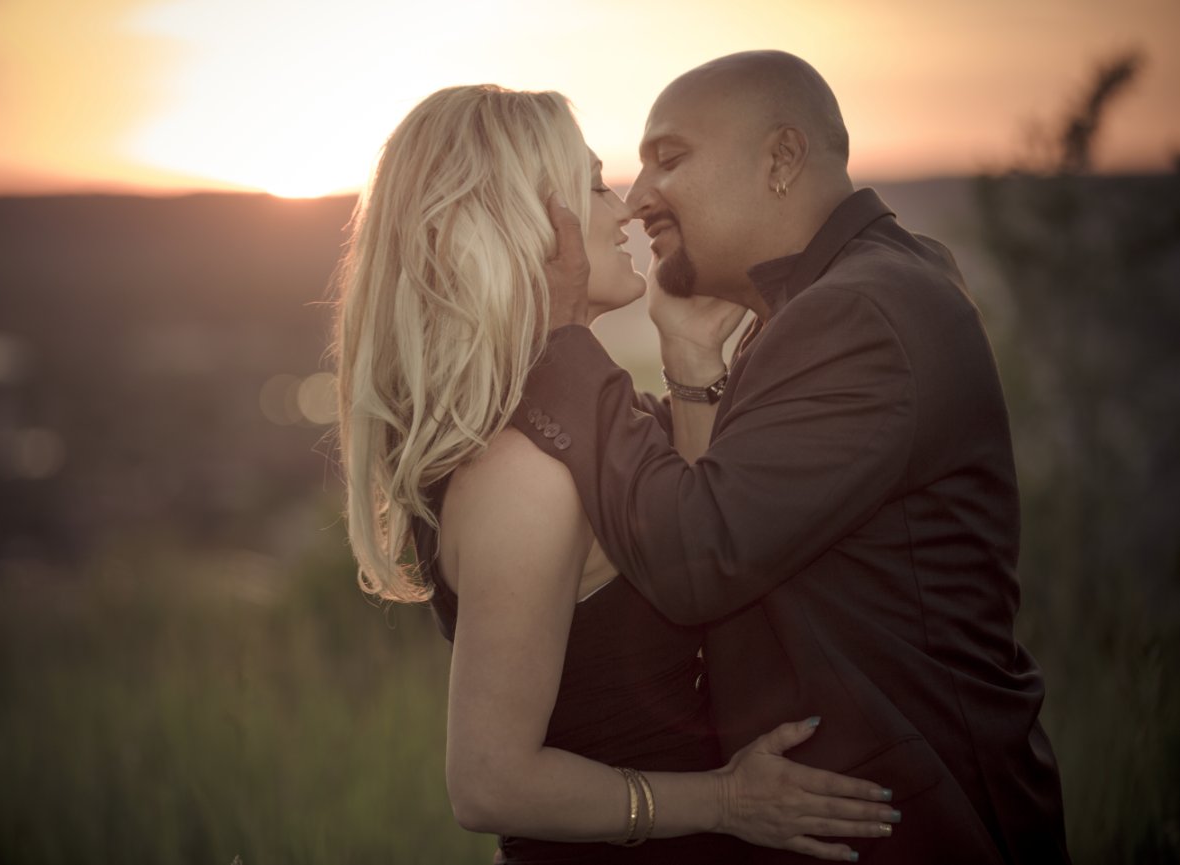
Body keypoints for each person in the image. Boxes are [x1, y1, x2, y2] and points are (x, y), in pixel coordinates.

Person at [514, 52, 1071, 864]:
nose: (636, 200)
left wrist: (567, 344)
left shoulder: (857, 313)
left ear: (779, 160)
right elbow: (722, 512)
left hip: (909, 821)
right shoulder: (859, 290)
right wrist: (691, 365)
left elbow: (697, 557)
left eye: (670, 158)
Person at [335, 84, 902, 864]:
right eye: (593, 185)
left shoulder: (578, 420)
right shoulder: (519, 474)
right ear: (526, 226)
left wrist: (690, 359)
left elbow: (701, 562)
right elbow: (489, 780)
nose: (626, 211)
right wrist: (727, 800)